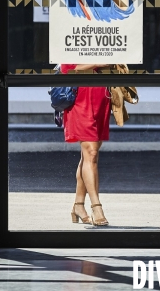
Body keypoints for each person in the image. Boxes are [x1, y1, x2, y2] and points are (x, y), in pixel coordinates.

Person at [63, 63, 111, 226]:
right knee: (91, 154)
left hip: (101, 99)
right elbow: (67, 69)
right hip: (80, 99)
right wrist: (99, 62)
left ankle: (78, 205)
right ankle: (96, 207)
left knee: (89, 155)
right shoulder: (70, 38)